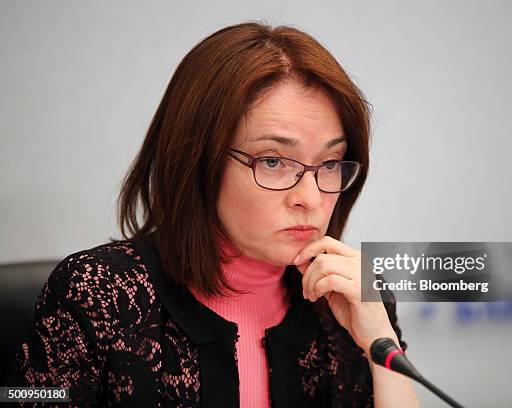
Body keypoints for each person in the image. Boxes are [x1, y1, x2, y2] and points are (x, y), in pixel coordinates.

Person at [3, 21, 420, 407]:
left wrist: (381, 344)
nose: (310, 198)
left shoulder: (349, 297)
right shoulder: (99, 292)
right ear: (199, 162)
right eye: (274, 161)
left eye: (329, 163)